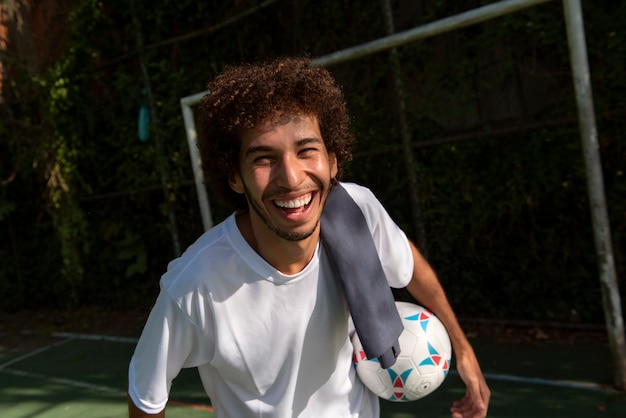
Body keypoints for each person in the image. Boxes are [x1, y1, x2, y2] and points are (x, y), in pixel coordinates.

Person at [127, 56, 490, 418]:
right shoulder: (194, 285)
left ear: (332, 161)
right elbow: (146, 398)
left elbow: (408, 265)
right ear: (234, 177)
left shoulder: (355, 211)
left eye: (306, 150)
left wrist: (464, 349)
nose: (291, 177)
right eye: (263, 158)